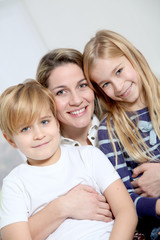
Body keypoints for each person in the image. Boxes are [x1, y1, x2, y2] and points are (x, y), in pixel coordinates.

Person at [0, 80, 137, 240]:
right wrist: (62, 207)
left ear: (57, 122)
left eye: (44, 122)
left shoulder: (88, 156)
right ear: (10, 140)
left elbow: (126, 212)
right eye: (25, 129)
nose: (39, 135)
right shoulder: (15, 183)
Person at [83, 29, 160, 239]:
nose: (117, 87)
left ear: (133, 57)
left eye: (118, 71)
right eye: (105, 84)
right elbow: (125, 203)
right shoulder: (109, 131)